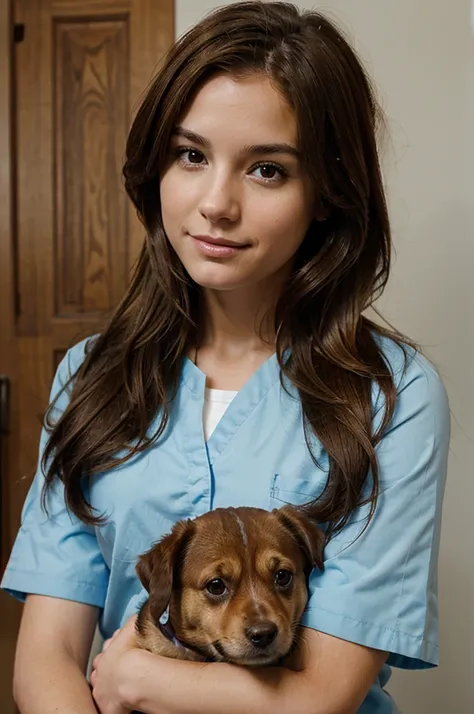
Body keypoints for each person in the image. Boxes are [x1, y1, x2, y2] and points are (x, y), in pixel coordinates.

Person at [1, 2, 450, 713]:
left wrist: (139, 676)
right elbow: (47, 657)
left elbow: (320, 697)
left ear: (327, 195)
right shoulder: (91, 378)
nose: (216, 204)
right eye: (191, 155)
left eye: (266, 170)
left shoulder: (391, 396)